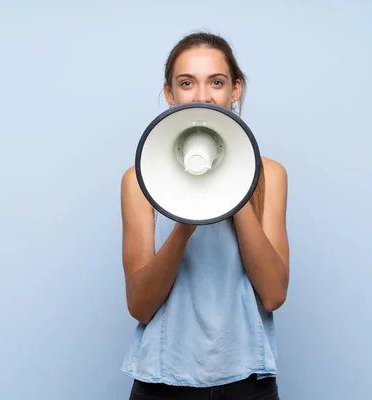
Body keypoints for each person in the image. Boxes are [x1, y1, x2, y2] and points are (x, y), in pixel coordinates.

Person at [120, 31, 290, 400]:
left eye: (216, 82)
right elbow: (140, 305)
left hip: (249, 382)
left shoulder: (270, 175)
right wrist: (184, 221)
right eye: (186, 83)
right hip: (161, 382)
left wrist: (233, 189)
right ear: (170, 93)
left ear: (236, 90)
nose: (201, 96)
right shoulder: (138, 181)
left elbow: (274, 294)